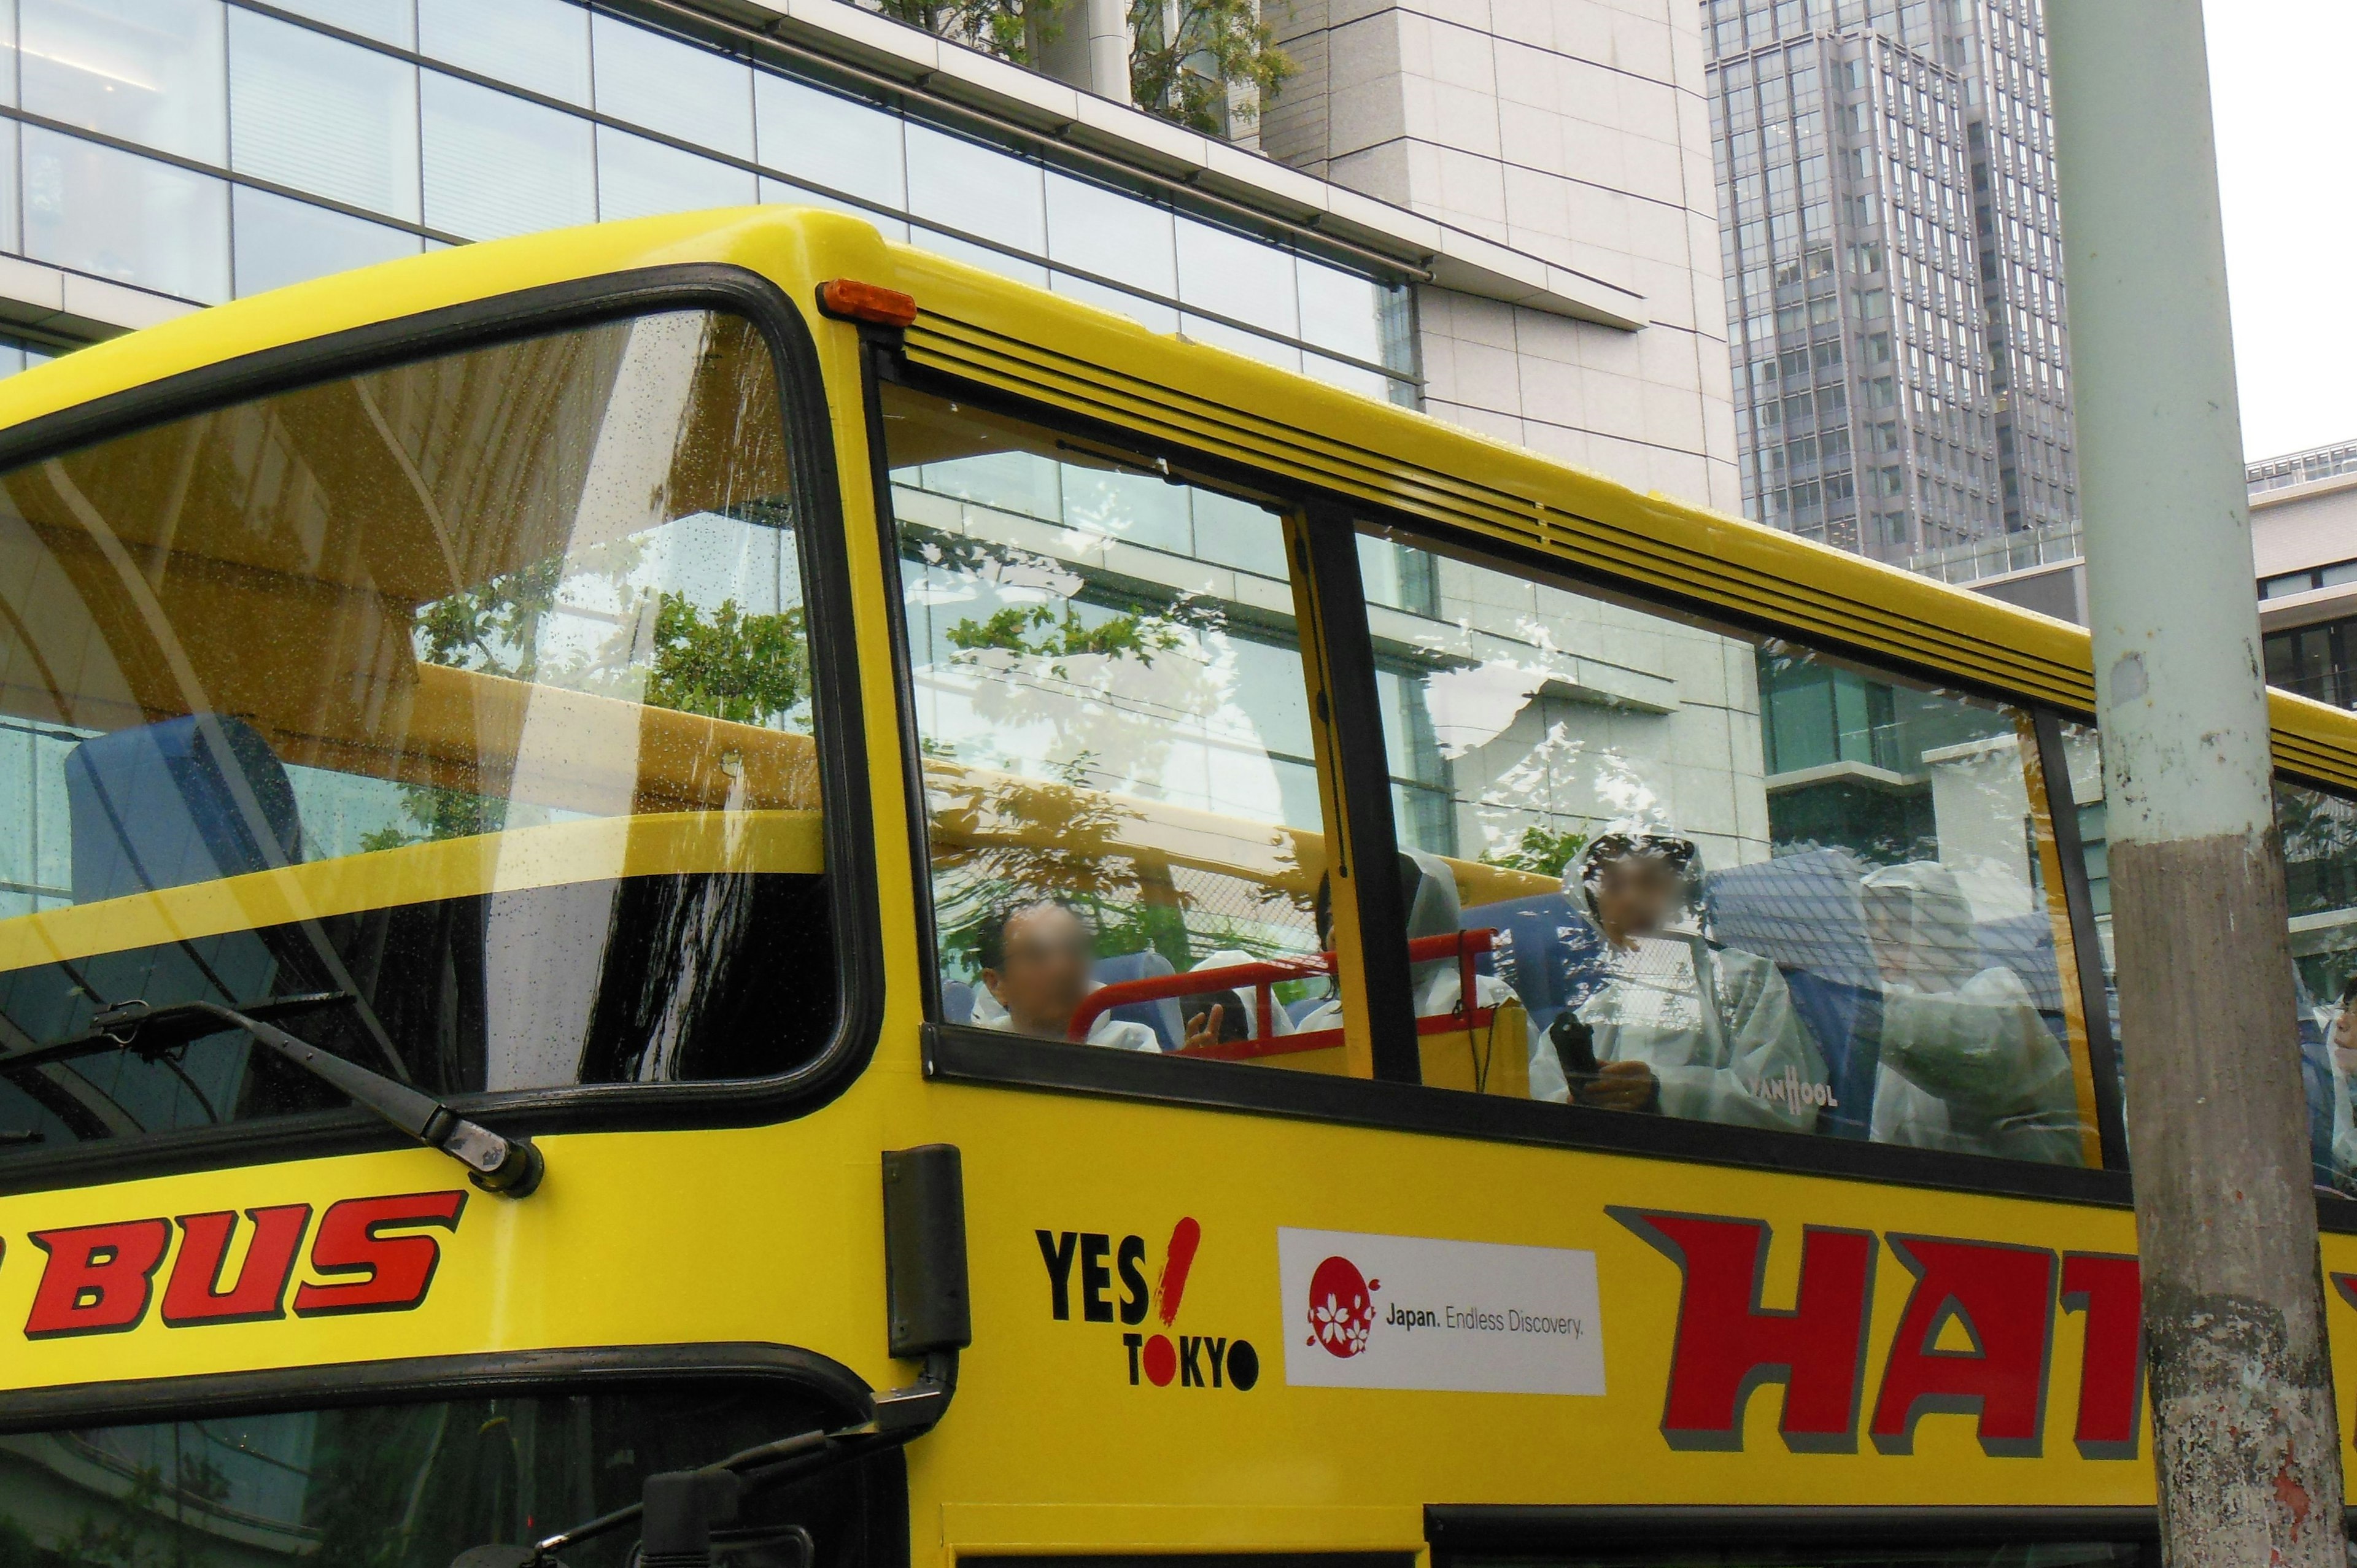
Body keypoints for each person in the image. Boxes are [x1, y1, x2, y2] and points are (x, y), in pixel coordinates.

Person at [1560, 826, 1824, 1131]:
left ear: (1688, 893)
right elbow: (1536, 1103)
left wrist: (1660, 1091)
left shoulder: (1745, 980)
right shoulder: (1593, 1013)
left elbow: (1784, 1109)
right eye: (1614, 887)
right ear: (1596, 916)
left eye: (1650, 881)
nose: (1632, 899)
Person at [1856, 861, 2082, 1165]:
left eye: (1894, 933)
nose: (1880, 950)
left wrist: (1850, 998)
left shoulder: (1998, 995)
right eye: (1874, 934)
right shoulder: (1895, 1049)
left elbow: (1960, 1045)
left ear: (1940, 931)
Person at [1296, 852, 1569, 1102]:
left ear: (1419, 918)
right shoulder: (1315, 1025)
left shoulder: (1471, 997)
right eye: (1332, 916)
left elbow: (1531, 1099)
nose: (1336, 932)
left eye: (1358, 915)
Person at [967, 898, 1161, 1051]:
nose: (1062, 967)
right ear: (996, 984)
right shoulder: (974, 1057)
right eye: (1037, 954)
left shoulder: (1132, 1045)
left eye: (1073, 949)